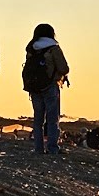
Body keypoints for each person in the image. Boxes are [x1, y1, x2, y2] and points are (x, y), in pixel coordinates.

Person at [22, 23, 70, 155]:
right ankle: (52, 147)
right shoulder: (53, 48)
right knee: (52, 118)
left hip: (35, 87)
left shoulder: (31, 48)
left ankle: (38, 148)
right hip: (50, 86)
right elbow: (64, 68)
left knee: (38, 119)